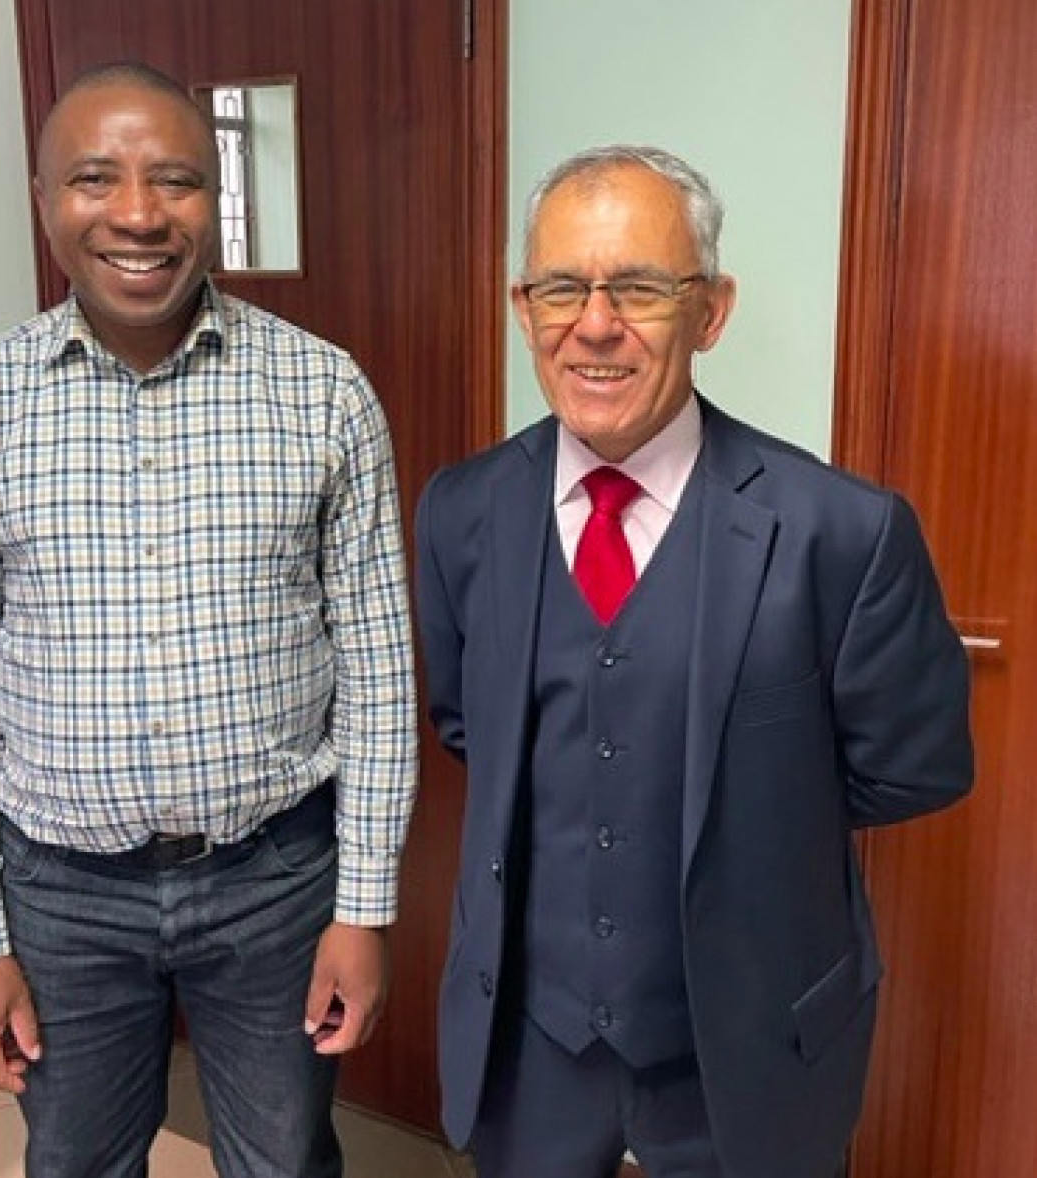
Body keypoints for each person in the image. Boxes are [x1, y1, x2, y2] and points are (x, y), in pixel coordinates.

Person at [0, 62, 416, 1178]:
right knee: (77, 1162)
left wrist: (363, 906)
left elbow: (377, 671)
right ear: (45, 199)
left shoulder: (323, 393)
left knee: (285, 1161)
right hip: (59, 895)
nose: (138, 214)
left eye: (174, 179)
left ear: (213, 197)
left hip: (276, 882)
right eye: (95, 178)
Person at [414, 144, 972, 1178]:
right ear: (523, 309)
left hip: (749, 1047)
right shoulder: (462, 511)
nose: (594, 324)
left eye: (639, 287)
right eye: (561, 288)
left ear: (710, 311)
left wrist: (753, 817)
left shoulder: (842, 531)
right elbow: (467, 726)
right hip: (531, 1048)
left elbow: (915, 768)